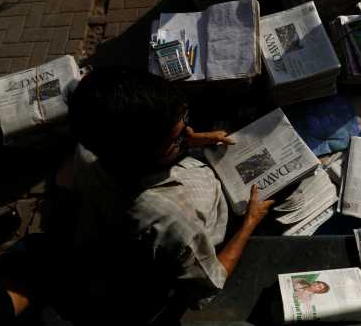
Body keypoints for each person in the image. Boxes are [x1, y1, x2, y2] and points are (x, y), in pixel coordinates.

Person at [65, 66, 275, 321]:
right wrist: (249, 222)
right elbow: (209, 283)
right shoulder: (175, 223)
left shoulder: (90, 149)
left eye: (185, 122)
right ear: (147, 152)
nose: (188, 132)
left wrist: (193, 140)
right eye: (175, 138)